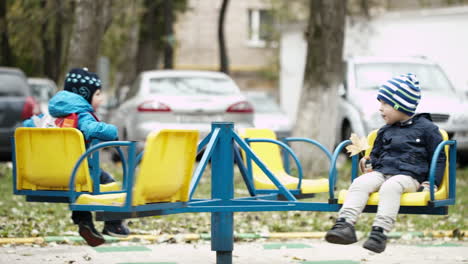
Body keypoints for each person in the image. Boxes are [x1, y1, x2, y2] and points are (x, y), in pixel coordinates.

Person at [325, 73, 446, 253]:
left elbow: (439, 157)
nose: (380, 109)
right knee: (359, 183)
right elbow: (376, 155)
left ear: (400, 105)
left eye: (385, 104)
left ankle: (379, 232)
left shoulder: (427, 129)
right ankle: (345, 225)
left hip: (409, 176)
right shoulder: (385, 131)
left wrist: (431, 184)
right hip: (382, 172)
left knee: (390, 187)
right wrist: (369, 164)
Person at [24, 68, 130, 247]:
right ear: (84, 94)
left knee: (78, 190)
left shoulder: (48, 115)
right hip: (78, 174)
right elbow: (91, 129)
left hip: (44, 174)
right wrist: (111, 131)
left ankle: (85, 223)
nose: (101, 98)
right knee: (109, 183)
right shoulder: (82, 116)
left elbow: (27, 126)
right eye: (98, 94)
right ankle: (114, 225)